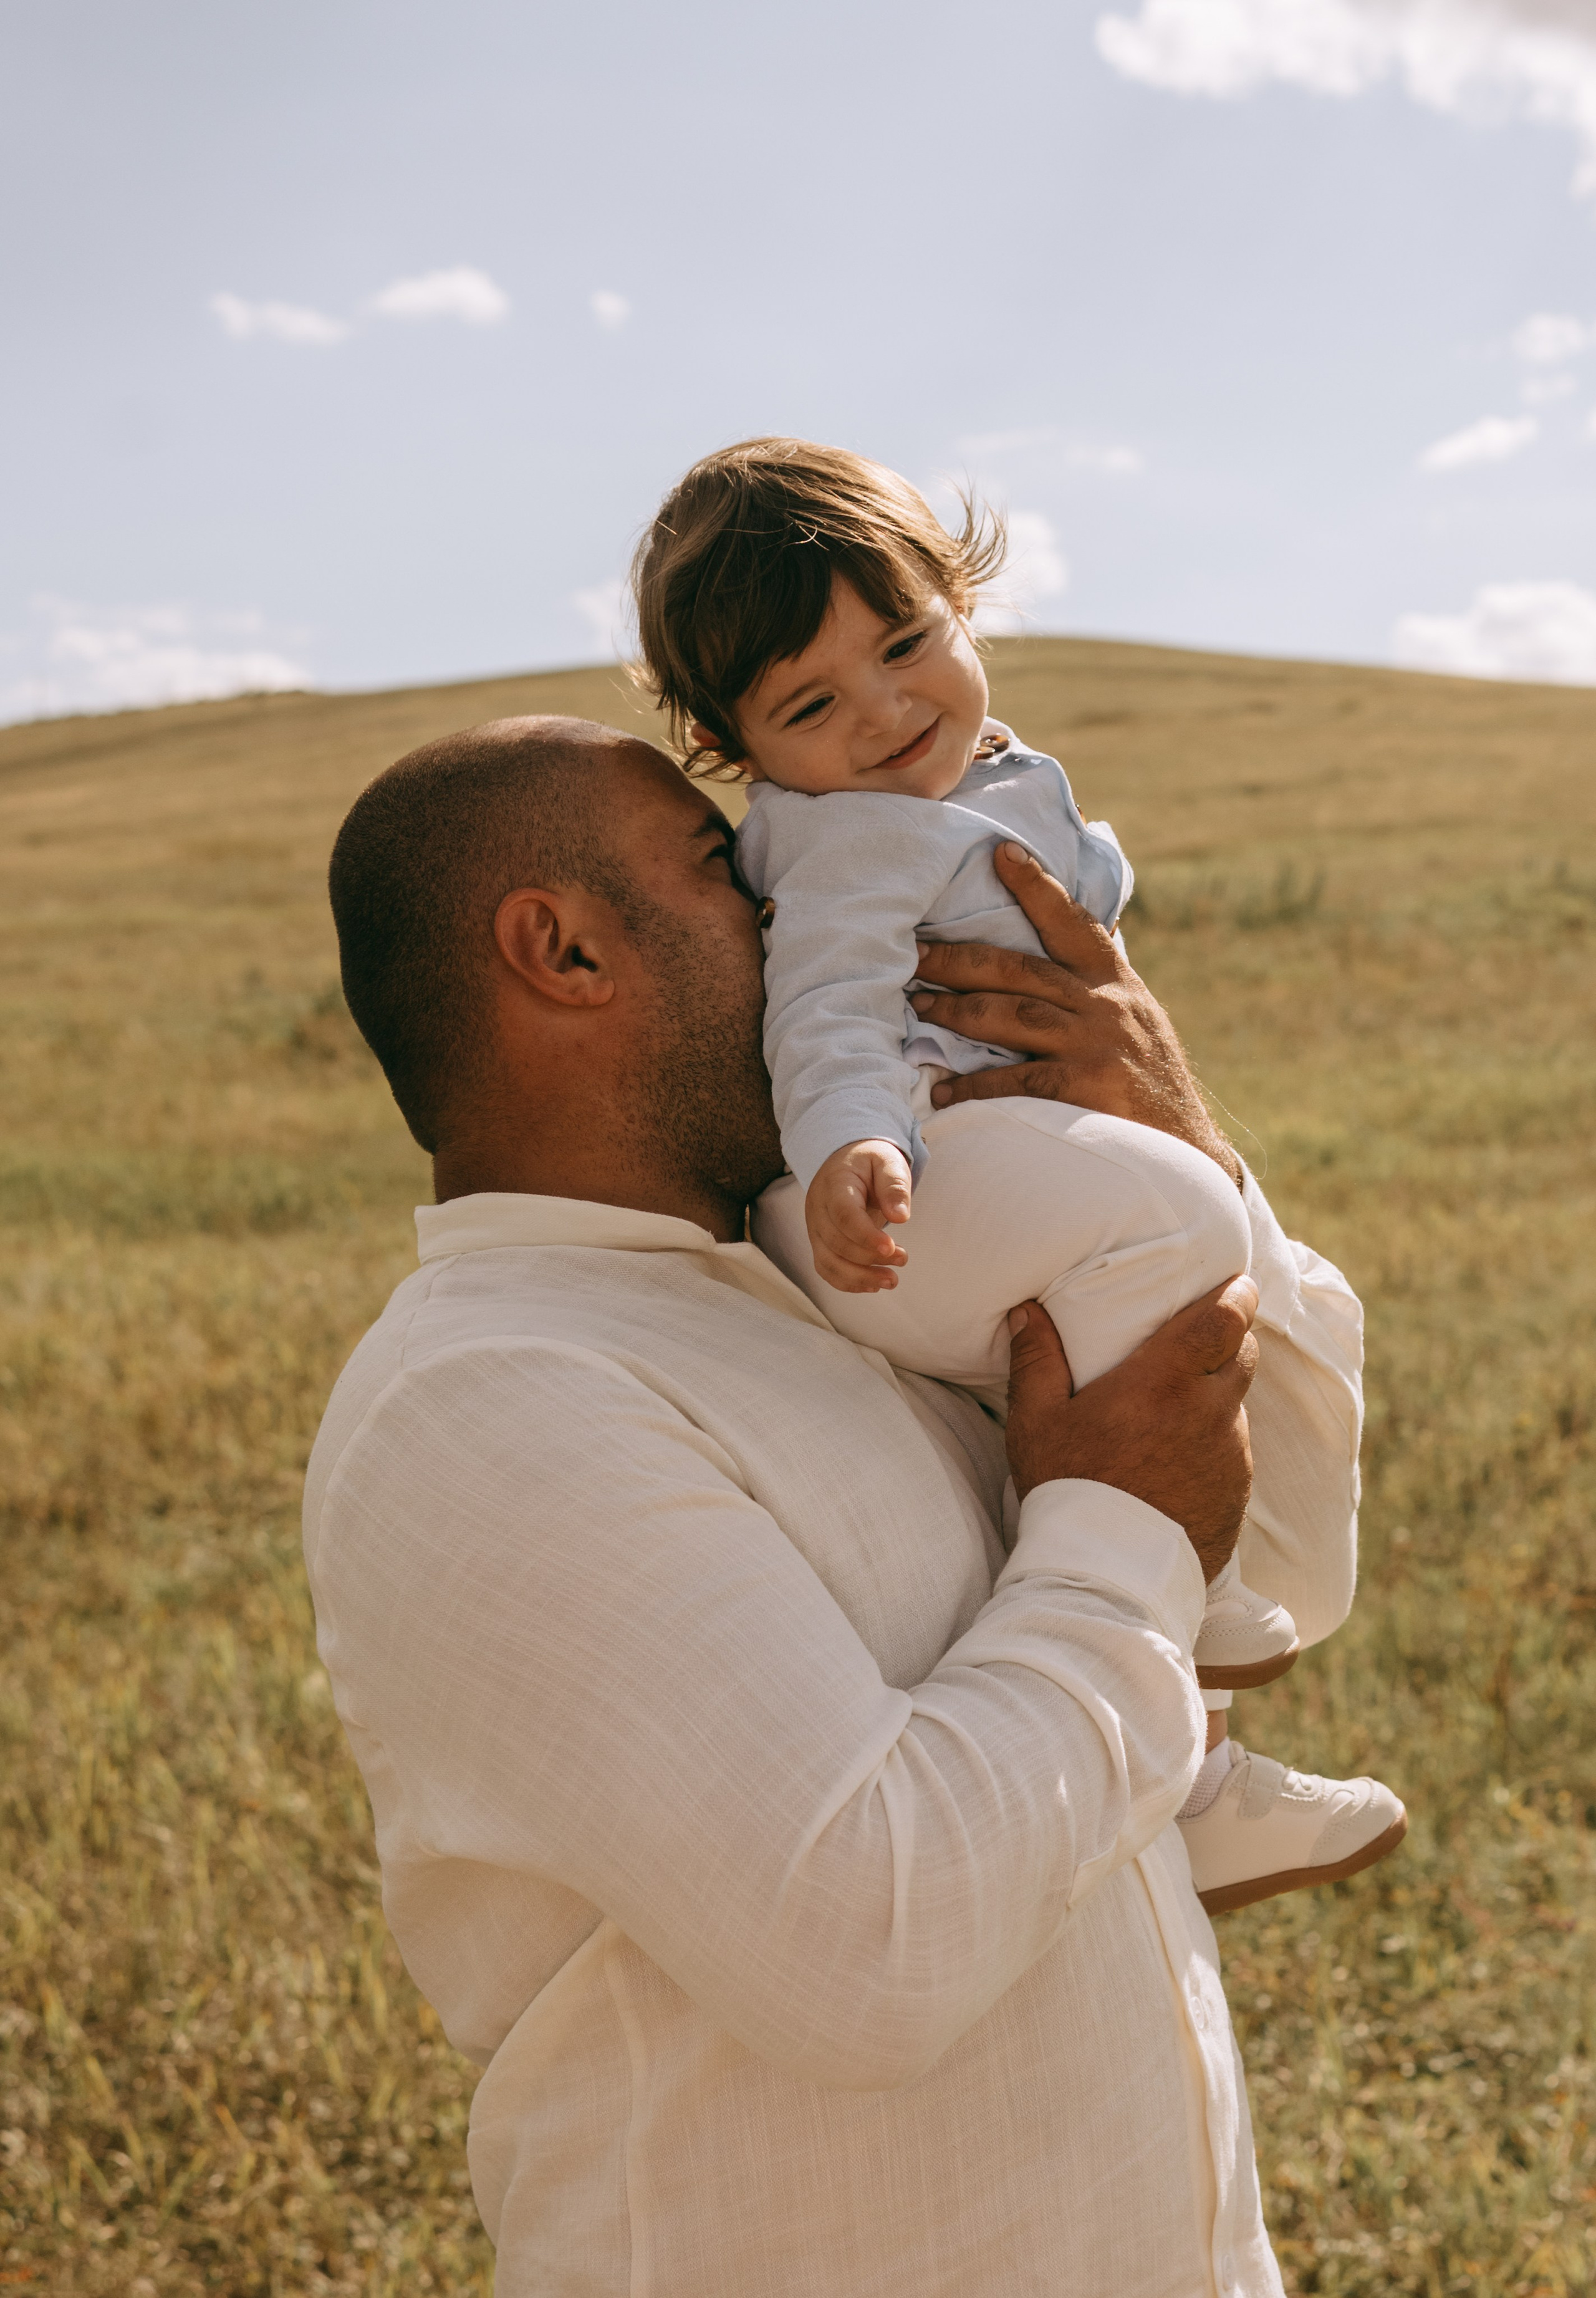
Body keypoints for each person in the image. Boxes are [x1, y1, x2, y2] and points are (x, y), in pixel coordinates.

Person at [308, 713, 1365, 2294]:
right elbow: (871, 1946)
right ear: (567, 952)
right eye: (728, 869)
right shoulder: (494, 1395)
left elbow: (1280, 1568)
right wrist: (1111, 1526)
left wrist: (1176, 1160)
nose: (806, 893)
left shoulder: (848, 1285)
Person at [630, 435, 1405, 1910]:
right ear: (736, 753)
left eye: (907, 642)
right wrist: (855, 1139)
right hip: (897, 1193)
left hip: (975, 1181)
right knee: (1177, 1214)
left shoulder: (979, 776)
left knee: (1194, 1237)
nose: (881, 712)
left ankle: (1195, 1776)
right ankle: (1197, 1577)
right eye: (808, 703)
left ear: (960, 604)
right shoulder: (854, 839)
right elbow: (825, 1006)